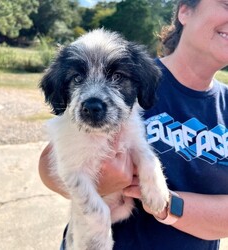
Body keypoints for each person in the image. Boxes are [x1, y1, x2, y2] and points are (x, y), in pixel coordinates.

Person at [38, 0, 228, 249]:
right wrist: (100, 183)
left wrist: (167, 204)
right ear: (184, 10)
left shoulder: (139, 76)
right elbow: (50, 166)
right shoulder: (134, 68)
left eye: (117, 78)